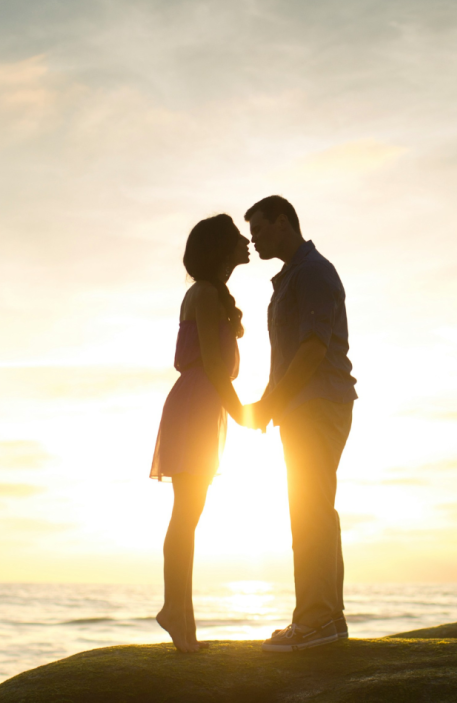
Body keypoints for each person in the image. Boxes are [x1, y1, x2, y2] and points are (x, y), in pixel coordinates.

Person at [243, 196, 357, 652]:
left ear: (283, 222)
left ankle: (314, 620)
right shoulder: (295, 275)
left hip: (318, 404)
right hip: (306, 405)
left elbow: (312, 348)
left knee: (310, 510)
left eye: (259, 229)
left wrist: (272, 402)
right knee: (315, 509)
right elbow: (291, 354)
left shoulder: (311, 272)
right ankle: (328, 619)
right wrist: (271, 402)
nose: (253, 239)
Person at [150, 213, 254, 652]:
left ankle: (182, 620)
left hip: (202, 403)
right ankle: (176, 613)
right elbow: (213, 363)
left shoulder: (210, 293)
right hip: (197, 402)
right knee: (187, 514)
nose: (247, 242)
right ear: (220, 248)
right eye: (237, 237)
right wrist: (243, 414)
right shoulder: (206, 294)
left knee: (188, 514)